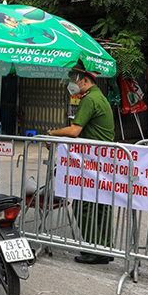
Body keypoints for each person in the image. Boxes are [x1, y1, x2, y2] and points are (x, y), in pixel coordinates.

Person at [48, 61, 115, 264]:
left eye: (73, 81)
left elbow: (74, 131)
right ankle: (103, 248)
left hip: (94, 161)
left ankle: (93, 248)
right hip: (103, 160)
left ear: (85, 81)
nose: (71, 85)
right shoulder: (98, 97)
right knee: (101, 206)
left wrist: (51, 133)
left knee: (82, 205)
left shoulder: (89, 99)